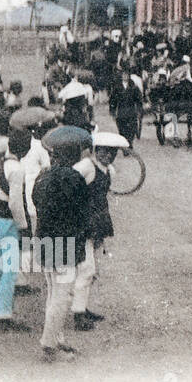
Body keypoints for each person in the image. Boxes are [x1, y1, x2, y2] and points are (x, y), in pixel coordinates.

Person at [33, 126, 92, 362]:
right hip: (66, 243)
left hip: (46, 239)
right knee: (63, 295)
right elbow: (82, 212)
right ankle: (49, 344)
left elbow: (36, 202)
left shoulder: (43, 176)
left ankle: (56, 338)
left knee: (52, 292)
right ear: (73, 156)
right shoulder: (75, 179)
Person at [71, 133, 121, 331]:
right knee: (86, 269)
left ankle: (81, 307)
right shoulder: (85, 167)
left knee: (91, 269)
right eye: (103, 151)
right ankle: (77, 314)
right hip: (81, 224)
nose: (107, 155)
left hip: (96, 223)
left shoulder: (109, 171)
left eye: (112, 152)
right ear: (95, 150)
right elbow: (69, 186)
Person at [0, 129, 32, 331]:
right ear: (26, 148)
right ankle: (4, 316)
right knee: (10, 272)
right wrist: (23, 226)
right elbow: (15, 203)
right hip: (6, 222)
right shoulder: (17, 169)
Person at [108, 70, 143, 143]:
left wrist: (139, 110)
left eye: (127, 75)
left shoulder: (133, 87)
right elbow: (113, 100)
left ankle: (130, 143)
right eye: (124, 75)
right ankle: (124, 144)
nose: (125, 76)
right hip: (121, 111)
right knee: (121, 128)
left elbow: (139, 100)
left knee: (131, 128)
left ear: (129, 76)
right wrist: (112, 111)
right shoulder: (117, 87)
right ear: (121, 76)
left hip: (131, 111)